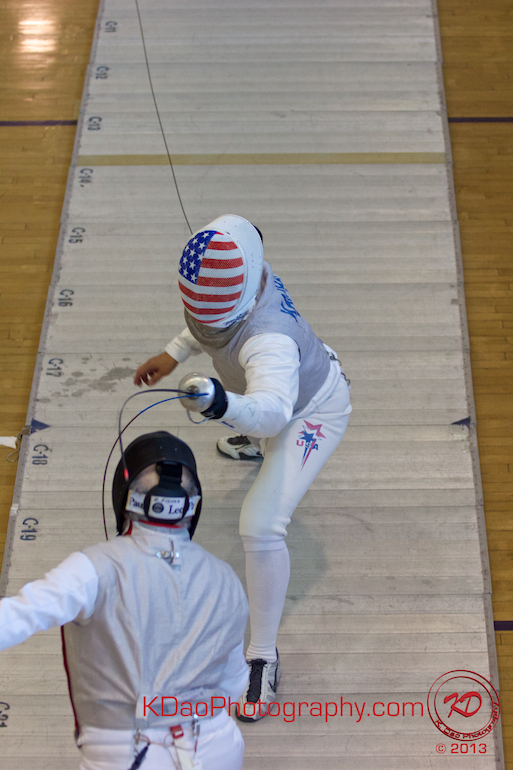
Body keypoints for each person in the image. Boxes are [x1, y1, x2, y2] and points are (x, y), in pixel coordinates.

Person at [134, 215, 352, 721]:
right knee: (253, 415)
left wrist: (217, 404)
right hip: (273, 392)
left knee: (259, 525)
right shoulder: (234, 261)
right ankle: (258, 446)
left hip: (310, 413)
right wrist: (173, 353)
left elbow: (273, 413)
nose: (208, 327)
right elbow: (206, 325)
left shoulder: (269, 340)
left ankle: (262, 655)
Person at [0, 431, 249, 769]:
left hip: (127, 752)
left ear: (126, 496)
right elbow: (235, 683)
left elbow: (15, 618)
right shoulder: (226, 579)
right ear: (192, 505)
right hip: (217, 746)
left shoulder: (95, 568)